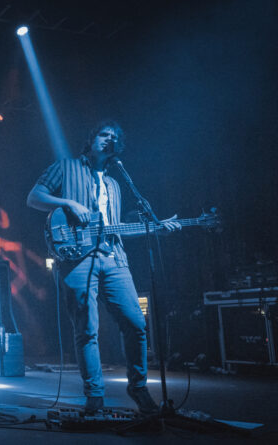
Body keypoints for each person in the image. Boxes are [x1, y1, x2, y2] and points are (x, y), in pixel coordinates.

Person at [27, 121, 180, 415]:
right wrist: (68, 203)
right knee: (87, 329)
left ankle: (138, 388)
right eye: (103, 134)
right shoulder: (66, 166)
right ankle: (94, 395)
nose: (108, 139)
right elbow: (33, 198)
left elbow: (113, 227)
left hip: (114, 258)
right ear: (92, 139)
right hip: (77, 258)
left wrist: (155, 229)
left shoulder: (114, 182)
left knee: (136, 324)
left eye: (114, 137)